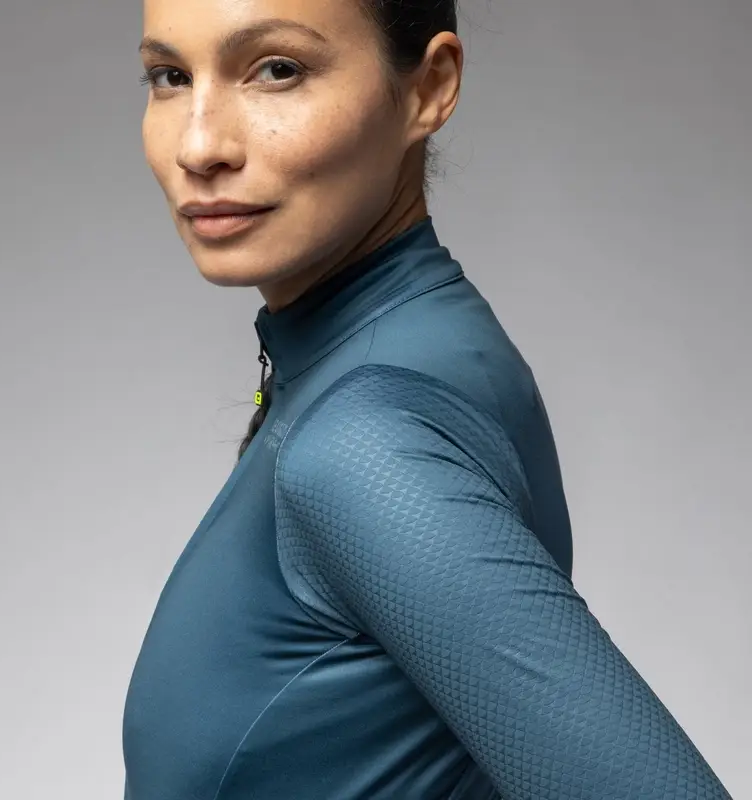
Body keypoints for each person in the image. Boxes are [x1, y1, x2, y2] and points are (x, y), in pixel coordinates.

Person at [122, 1, 732, 798]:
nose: (199, 145)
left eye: (277, 70)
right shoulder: (425, 345)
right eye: (170, 76)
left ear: (430, 87)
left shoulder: (365, 439)